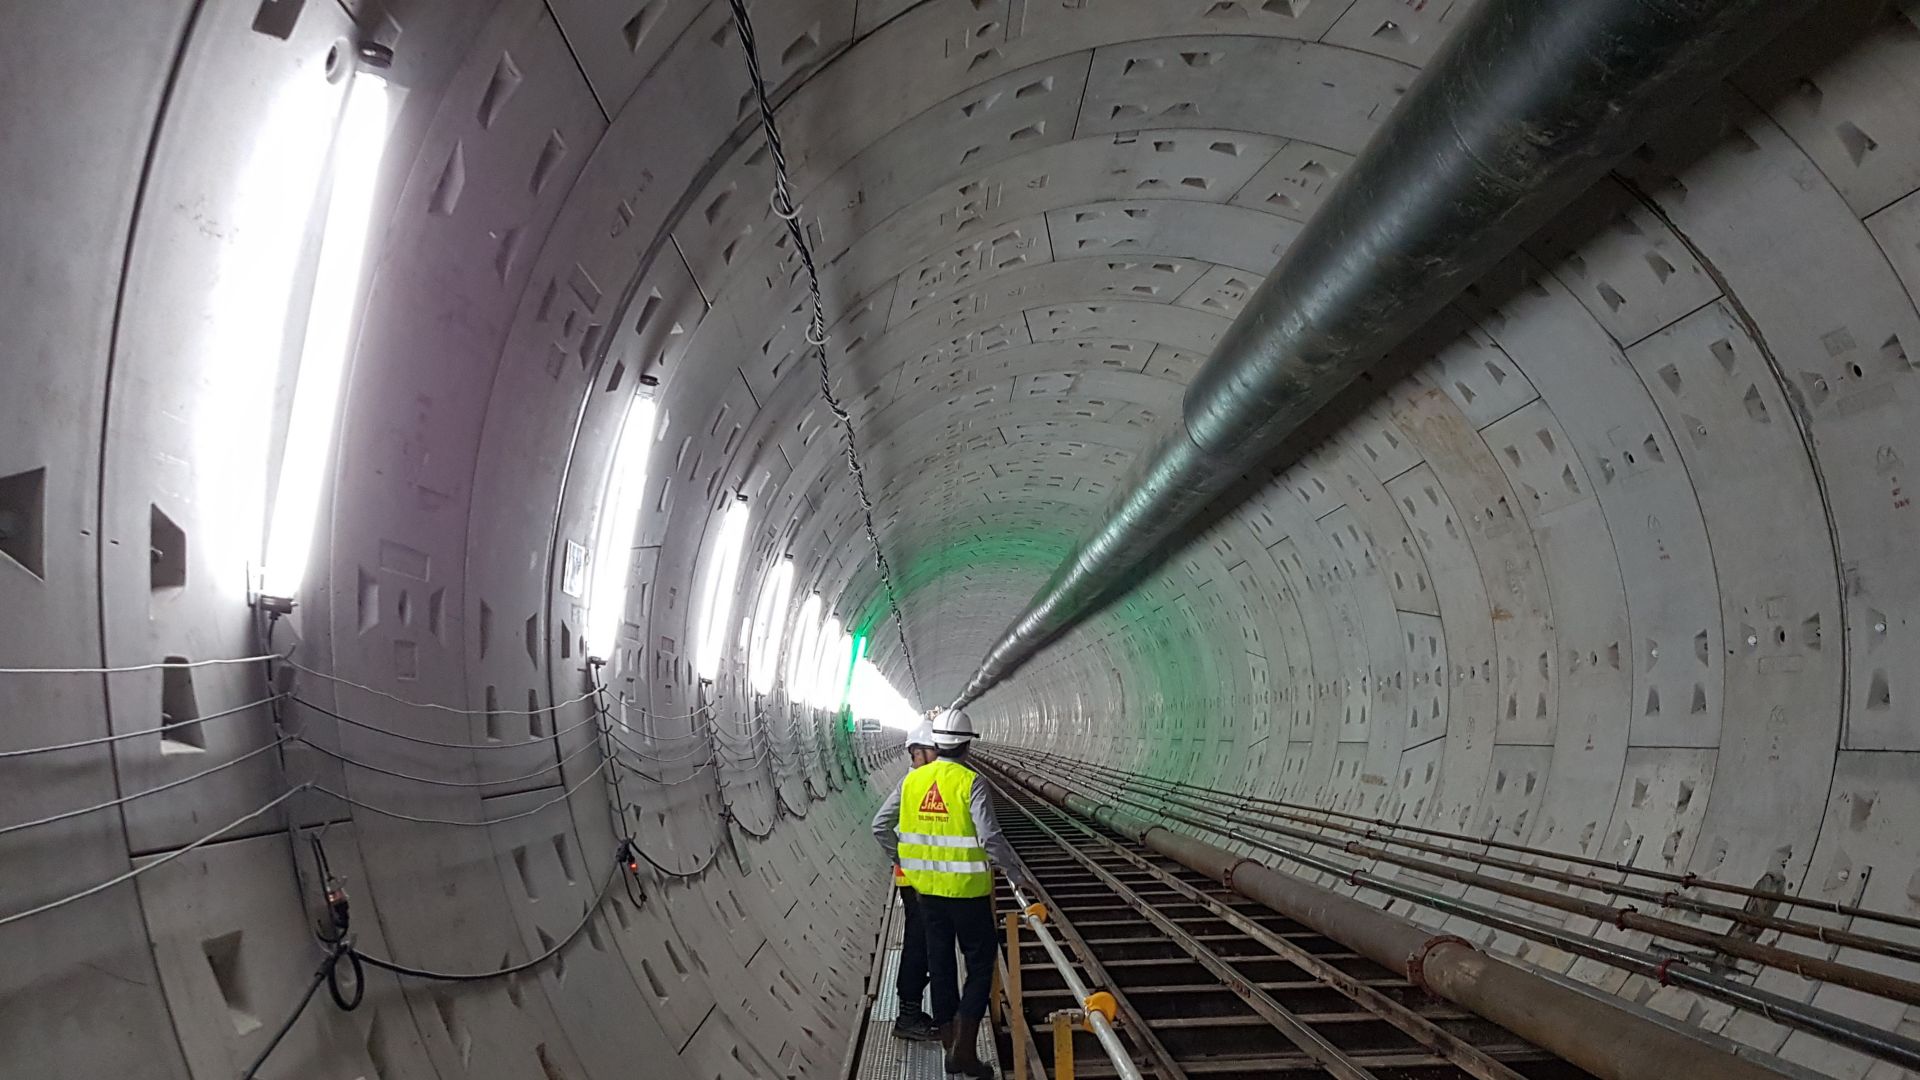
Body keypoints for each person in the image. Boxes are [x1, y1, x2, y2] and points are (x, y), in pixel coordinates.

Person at [872, 707, 1027, 1079]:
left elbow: (882, 827)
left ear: (937, 744)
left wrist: (908, 862)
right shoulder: (971, 783)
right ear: (967, 747)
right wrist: (1016, 874)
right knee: (979, 962)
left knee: (939, 962)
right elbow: (990, 837)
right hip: (968, 893)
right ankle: (965, 1049)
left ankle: (948, 1041)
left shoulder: (912, 783)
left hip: (926, 893)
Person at [890, 719, 941, 1042]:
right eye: (934, 751)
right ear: (919, 753)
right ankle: (907, 1016)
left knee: (925, 945)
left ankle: (916, 1013)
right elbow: (880, 825)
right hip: (914, 883)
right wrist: (901, 859)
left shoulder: (925, 781)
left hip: (928, 881)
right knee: (917, 947)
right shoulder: (910, 784)